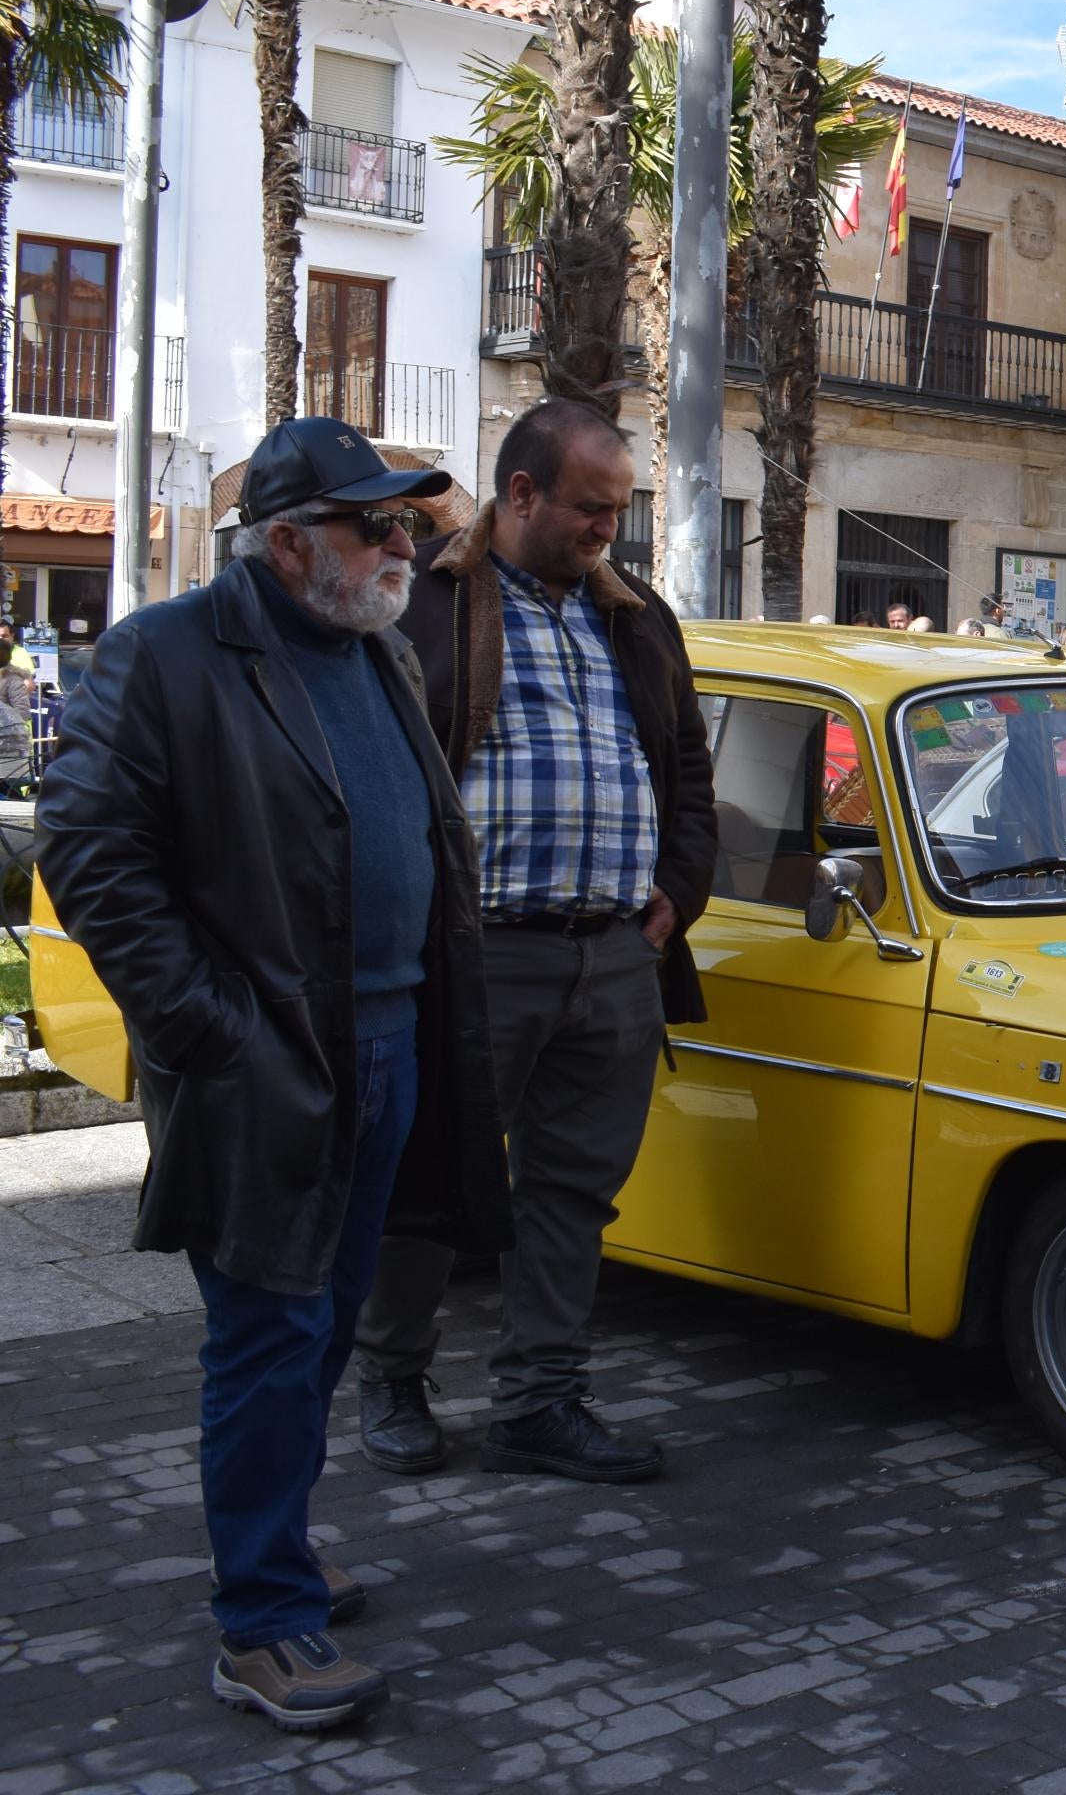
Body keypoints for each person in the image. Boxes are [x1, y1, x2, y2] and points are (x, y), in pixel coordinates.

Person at [37, 417, 511, 1732]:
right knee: (269, 1337)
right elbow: (89, 854)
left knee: (324, 1329)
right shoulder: (169, 655)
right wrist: (210, 1035)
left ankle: (279, 1549)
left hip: (388, 1048)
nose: (401, 543)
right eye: (375, 524)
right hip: (271, 1065)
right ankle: (259, 1626)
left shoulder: (374, 653)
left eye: (407, 521)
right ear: (289, 540)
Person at [355, 399, 717, 1487]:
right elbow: (366, 775)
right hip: (475, 955)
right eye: (592, 508)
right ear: (520, 494)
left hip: (613, 955)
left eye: (620, 508)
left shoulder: (636, 614)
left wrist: (679, 891)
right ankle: (392, 1380)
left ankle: (541, 1402)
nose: (611, 528)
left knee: (573, 1192)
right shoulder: (420, 602)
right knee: (432, 1181)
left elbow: (689, 775)